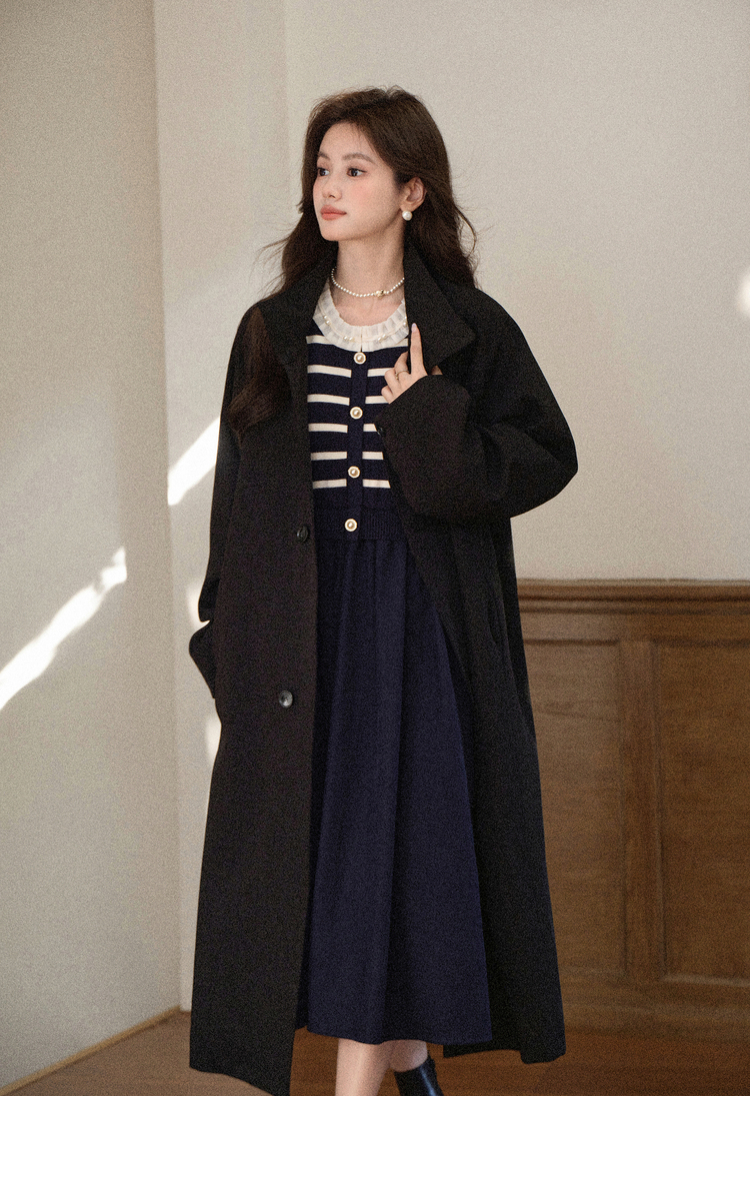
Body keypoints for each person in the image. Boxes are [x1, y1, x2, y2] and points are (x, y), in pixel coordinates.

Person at [188, 86, 577, 1097]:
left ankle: (356, 1108)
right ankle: (410, 1068)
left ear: (410, 191)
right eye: (322, 167)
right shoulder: (273, 329)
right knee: (327, 868)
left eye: (355, 169)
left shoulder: (468, 329)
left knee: (399, 858)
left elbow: (544, 458)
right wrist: (222, 639)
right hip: (300, 629)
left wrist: (429, 417)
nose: (330, 186)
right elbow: (237, 501)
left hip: (420, 627)